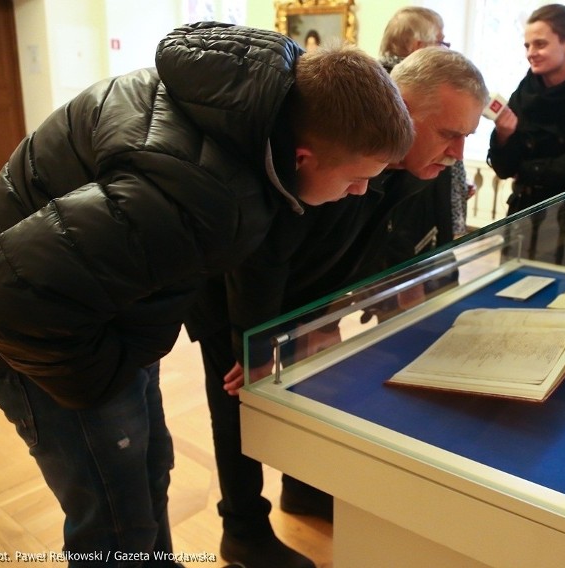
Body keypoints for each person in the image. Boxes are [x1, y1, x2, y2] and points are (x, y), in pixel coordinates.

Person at [0, 22, 413, 568]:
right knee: (115, 521)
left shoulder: (243, 109)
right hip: (38, 345)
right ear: (303, 157)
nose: (361, 192)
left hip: (102, 319)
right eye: (358, 178)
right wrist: (105, 380)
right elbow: (15, 292)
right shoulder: (207, 195)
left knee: (147, 471)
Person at [186, 45, 488, 566]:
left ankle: (302, 487)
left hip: (299, 293)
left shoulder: (406, 162)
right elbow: (263, 257)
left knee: (307, 390)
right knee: (241, 402)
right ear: (406, 110)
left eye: (467, 136)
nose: (458, 153)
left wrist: (328, 313)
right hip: (235, 295)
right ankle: (242, 529)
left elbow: (371, 239)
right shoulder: (345, 139)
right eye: (449, 134)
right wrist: (255, 346)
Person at [487, 3, 565, 270]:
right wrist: (503, 135)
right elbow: (503, 168)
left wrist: (529, 170)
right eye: (527, 46)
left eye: (540, 44)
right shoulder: (523, 93)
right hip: (525, 222)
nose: (531, 53)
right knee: (512, 302)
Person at [379, 6, 472, 237]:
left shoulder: (373, 82)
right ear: (419, 48)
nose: (446, 49)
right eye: (441, 42)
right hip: (410, 225)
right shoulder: (394, 93)